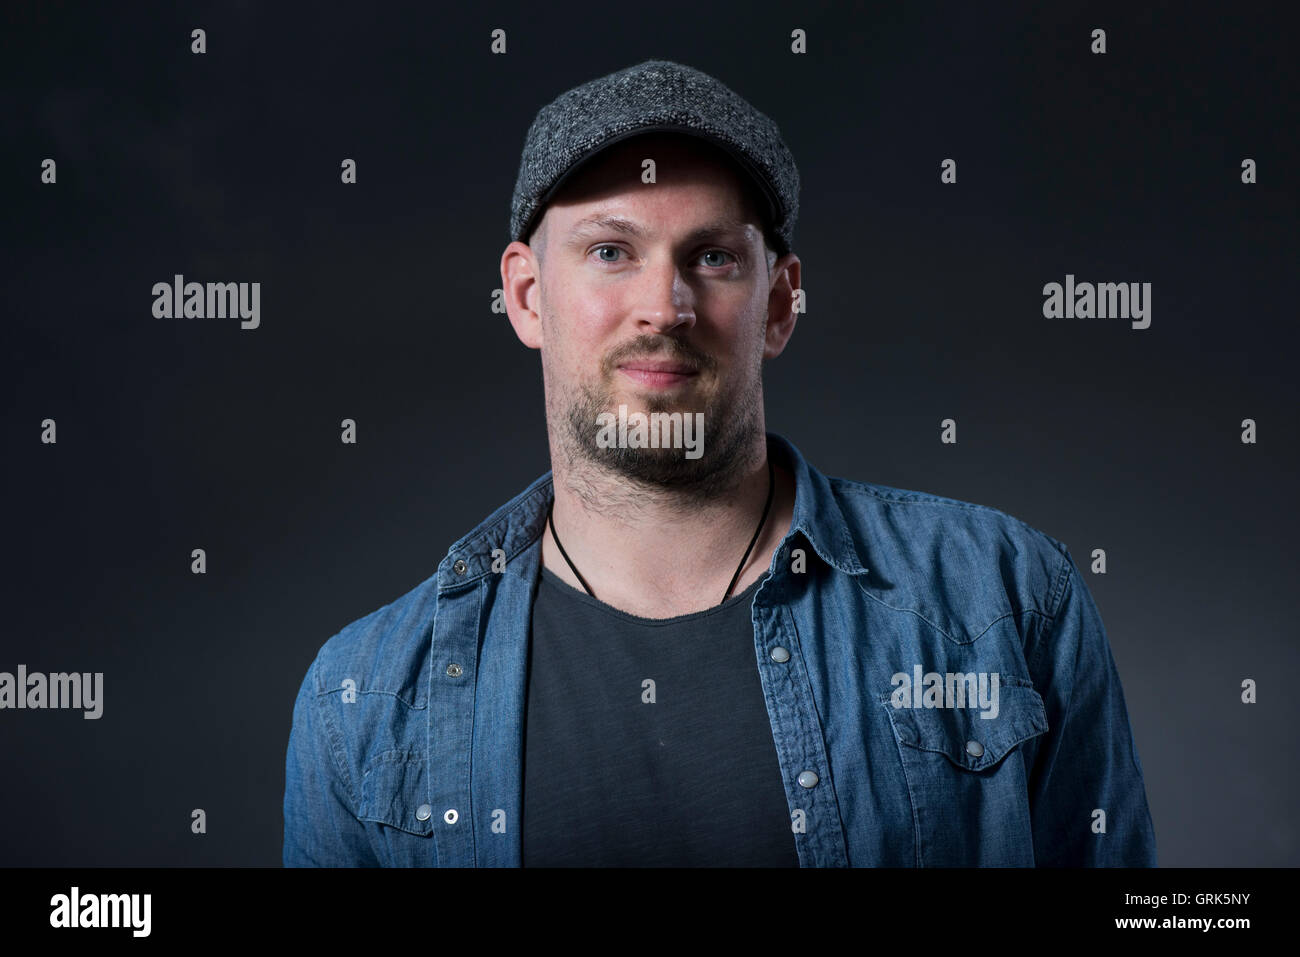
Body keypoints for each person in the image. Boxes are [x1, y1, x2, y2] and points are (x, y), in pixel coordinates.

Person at [283, 58, 1156, 867]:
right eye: (610, 251)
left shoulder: (1001, 600)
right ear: (526, 295)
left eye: (712, 257)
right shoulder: (361, 699)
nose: (663, 307)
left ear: (778, 304)